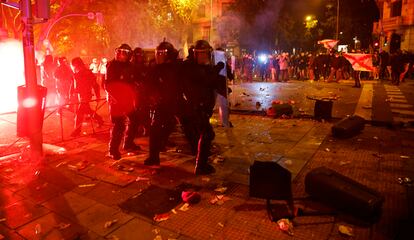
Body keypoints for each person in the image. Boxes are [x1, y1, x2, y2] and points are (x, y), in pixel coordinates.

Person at [181, 39, 223, 175]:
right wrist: (217, 69)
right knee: (207, 134)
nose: (203, 57)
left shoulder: (203, 67)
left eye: (205, 54)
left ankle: (200, 159)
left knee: (203, 134)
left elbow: (212, 81)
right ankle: (201, 165)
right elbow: (206, 80)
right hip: (195, 107)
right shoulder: (190, 67)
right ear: (194, 54)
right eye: (199, 54)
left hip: (202, 106)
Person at [144, 41, 181, 166]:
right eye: (157, 53)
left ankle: (161, 143)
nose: (158, 56)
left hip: (172, 104)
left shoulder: (176, 68)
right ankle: (154, 157)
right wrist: (153, 98)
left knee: (170, 124)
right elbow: (148, 85)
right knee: (154, 130)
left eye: (162, 53)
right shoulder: (155, 69)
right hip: (159, 105)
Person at [104, 44, 141, 160]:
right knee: (118, 125)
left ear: (129, 55)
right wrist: (115, 97)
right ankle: (112, 150)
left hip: (128, 99)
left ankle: (128, 143)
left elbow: (134, 80)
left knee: (135, 120)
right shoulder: (112, 66)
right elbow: (107, 84)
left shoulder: (130, 66)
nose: (120, 55)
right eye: (119, 52)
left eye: (124, 53)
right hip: (116, 101)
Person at [70, 57, 104, 137]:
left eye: (74, 64)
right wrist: (71, 93)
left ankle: (77, 130)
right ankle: (99, 119)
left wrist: (98, 95)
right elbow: (73, 83)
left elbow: (95, 85)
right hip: (79, 94)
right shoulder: (76, 71)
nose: (74, 66)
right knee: (87, 110)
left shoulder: (87, 73)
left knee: (79, 112)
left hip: (86, 95)